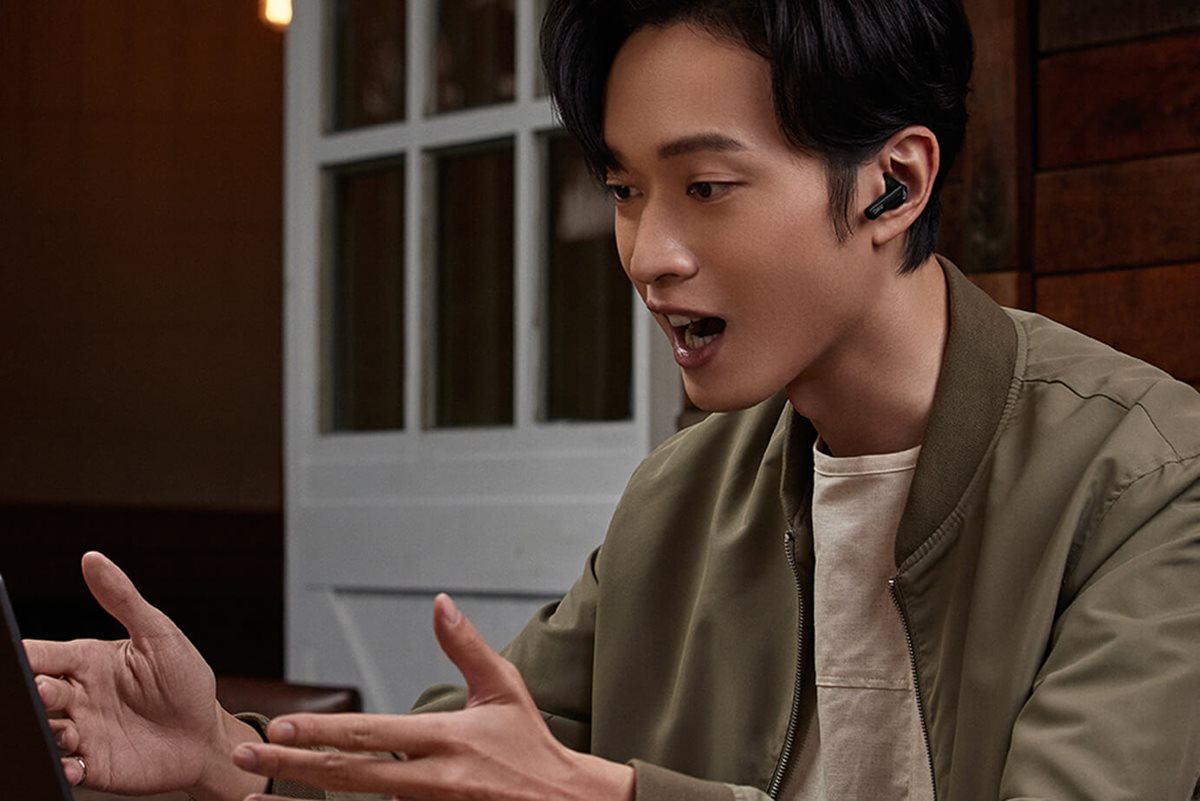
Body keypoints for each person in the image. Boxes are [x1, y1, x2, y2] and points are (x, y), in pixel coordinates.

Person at [24, 0, 1200, 799]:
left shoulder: (1148, 482)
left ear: (894, 184)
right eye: (627, 190)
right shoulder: (683, 493)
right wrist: (225, 758)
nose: (647, 254)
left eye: (706, 186)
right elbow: (481, 761)